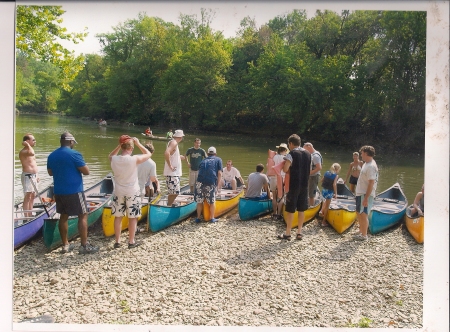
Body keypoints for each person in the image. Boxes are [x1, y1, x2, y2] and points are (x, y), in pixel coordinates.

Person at [47, 132, 97, 254]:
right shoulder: (75, 154)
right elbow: (86, 172)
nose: (74, 144)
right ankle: (84, 246)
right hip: (74, 191)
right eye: (73, 142)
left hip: (59, 191)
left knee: (63, 217)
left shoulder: (52, 155)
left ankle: (65, 245)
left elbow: (50, 173)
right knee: (83, 215)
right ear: (70, 142)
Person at [109, 135, 151, 249]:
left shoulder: (114, 159)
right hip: (132, 191)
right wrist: (138, 143)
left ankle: (117, 242)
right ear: (131, 148)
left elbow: (110, 155)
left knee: (118, 217)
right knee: (133, 217)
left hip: (118, 191)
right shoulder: (134, 159)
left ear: (122, 147)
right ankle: (131, 242)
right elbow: (148, 154)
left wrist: (119, 145)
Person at [278, 134, 311, 241]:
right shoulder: (308, 154)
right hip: (305, 184)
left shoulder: (291, 154)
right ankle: (299, 232)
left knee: (291, 209)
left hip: (294, 184)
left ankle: (288, 233)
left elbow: (285, 169)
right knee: (301, 209)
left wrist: (285, 167)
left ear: (291, 144)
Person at [353, 145, 378, 241]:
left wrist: (366, 198)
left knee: (363, 214)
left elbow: (371, 182)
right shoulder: (366, 163)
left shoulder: (371, 166)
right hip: (360, 193)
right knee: (359, 212)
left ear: (366, 153)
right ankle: (361, 230)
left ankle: (364, 235)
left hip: (365, 194)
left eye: (362, 153)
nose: (361, 155)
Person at [194, 147, 223, 223]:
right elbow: (219, 173)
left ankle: (198, 218)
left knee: (199, 201)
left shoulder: (203, 160)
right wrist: (218, 185)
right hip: (210, 182)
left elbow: (199, 172)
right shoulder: (218, 159)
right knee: (211, 202)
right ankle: (212, 218)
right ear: (215, 154)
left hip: (199, 182)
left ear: (207, 154)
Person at [19, 133, 39, 218]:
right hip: (27, 176)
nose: (35, 141)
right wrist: (27, 144)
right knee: (27, 196)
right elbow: (31, 153)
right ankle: (26, 216)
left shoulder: (29, 150)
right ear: (27, 141)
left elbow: (34, 163)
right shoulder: (24, 151)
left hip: (33, 176)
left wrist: (37, 175)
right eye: (33, 140)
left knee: (33, 195)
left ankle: (30, 214)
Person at [163, 129, 186, 205]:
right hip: (172, 173)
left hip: (173, 173)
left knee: (173, 192)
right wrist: (170, 166)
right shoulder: (174, 142)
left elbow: (171, 154)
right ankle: (169, 205)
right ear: (181, 137)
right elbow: (166, 153)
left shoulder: (173, 142)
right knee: (175, 192)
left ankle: (169, 204)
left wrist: (179, 157)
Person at [268, 143, 289, 220]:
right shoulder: (286, 158)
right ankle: (279, 214)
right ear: (285, 150)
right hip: (282, 178)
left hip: (273, 178)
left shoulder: (274, 157)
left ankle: (274, 214)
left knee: (274, 197)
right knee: (282, 197)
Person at [303, 142, 322, 207]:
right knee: (308, 191)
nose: (305, 151)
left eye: (305, 149)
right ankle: (308, 204)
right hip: (311, 176)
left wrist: (309, 173)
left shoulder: (315, 156)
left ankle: (311, 206)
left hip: (314, 177)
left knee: (311, 195)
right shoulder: (311, 154)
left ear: (309, 147)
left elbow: (319, 168)